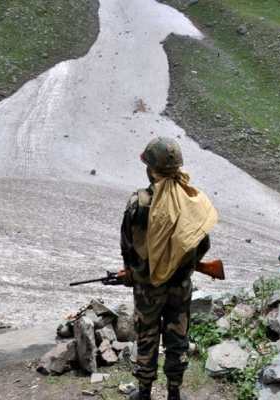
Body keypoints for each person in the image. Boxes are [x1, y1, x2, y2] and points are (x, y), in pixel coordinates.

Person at [118, 137, 218, 400]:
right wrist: (183, 264)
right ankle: (174, 393)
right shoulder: (192, 201)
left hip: (148, 288)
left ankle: (144, 392)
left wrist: (132, 272)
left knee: (147, 337)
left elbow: (127, 245)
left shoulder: (138, 203)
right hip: (180, 286)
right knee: (177, 338)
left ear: (151, 168)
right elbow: (202, 242)